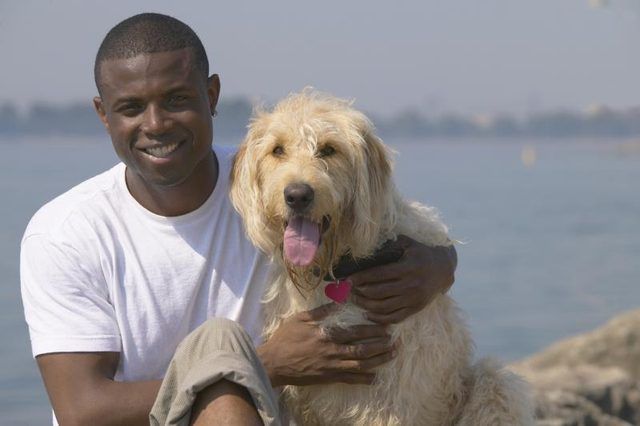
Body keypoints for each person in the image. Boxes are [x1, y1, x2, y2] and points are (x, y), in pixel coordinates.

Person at [20, 13, 457, 426]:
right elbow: (82, 409)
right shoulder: (66, 233)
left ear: (211, 95)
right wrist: (267, 364)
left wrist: (440, 265)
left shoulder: (267, 185)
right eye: (131, 107)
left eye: (176, 100)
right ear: (103, 114)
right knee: (221, 357)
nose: (155, 124)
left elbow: (381, 221)